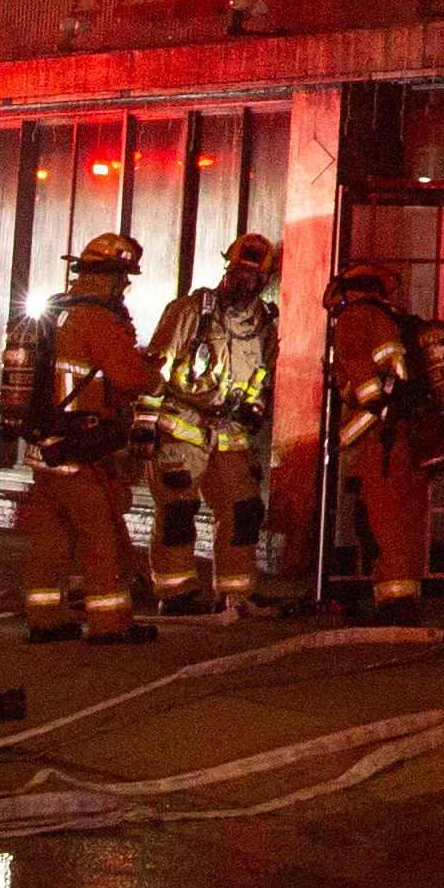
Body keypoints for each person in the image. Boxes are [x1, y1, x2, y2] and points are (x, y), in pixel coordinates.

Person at [4, 229, 159, 644]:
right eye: (122, 279)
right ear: (108, 277)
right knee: (101, 534)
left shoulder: (53, 312)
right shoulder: (97, 320)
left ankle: (45, 620)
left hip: (44, 447)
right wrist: (153, 375)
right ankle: (110, 624)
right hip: (81, 447)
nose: (124, 287)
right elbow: (129, 376)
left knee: (51, 535)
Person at [142, 229, 292, 617]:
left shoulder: (264, 325)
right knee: (178, 510)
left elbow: (261, 375)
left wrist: (254, 408)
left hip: (230, 432)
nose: (240, 280)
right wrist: (143, 425)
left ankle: (236, 594)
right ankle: (175, 593)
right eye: (235, 271)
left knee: (243, 510)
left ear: (264, 280)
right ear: (226, 268)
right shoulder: (190, 310)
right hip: (182, 426)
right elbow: (154, 368)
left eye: (250, 275)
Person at [320, 259, 444, 619]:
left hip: (381, 435)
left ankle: (393, 601)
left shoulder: (356, 318)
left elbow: (360, 375)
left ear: (349, 292)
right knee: (408, 513)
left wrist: (374, 405)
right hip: (414, 434)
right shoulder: (403, 322)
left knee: (381, 516)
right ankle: (407, 593)